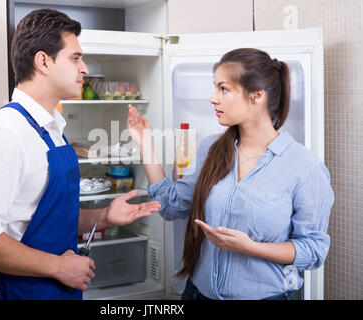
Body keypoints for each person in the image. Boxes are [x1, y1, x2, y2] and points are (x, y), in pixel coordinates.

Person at [0, 8, 160, 300]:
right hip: (21, 294)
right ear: (43, 62)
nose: (84, 68)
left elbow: (42, 216)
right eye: (75, 57)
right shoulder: (7, 134)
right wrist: (58, 267)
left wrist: (103, 215)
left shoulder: (50, 127)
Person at [127, 48, 334, 300]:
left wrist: (251, 248)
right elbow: (170, 206)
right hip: (197, 294)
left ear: (257, 96)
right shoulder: (211, 149)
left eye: (223, 89)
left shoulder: (304, 167)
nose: (213, 98)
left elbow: (313, 250)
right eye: (215, 88)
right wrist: (145, 143)